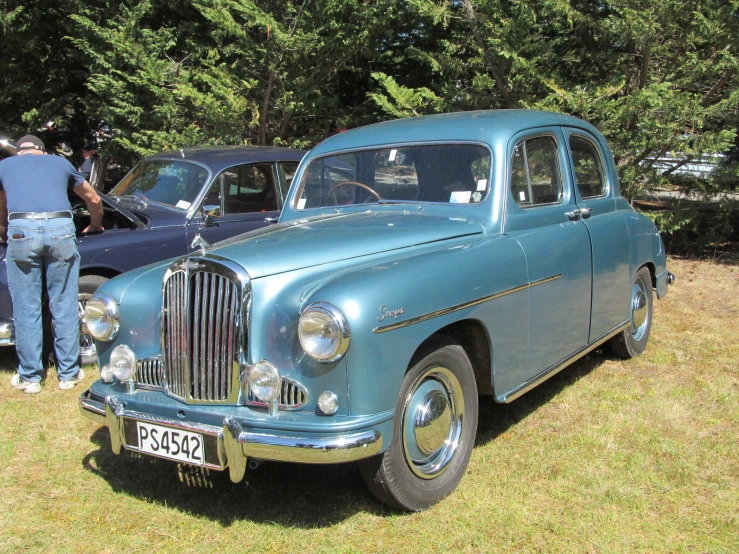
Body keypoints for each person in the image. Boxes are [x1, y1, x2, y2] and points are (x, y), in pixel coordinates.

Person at [0, 135, 104, 394]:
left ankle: (31, 378)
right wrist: (97, 223)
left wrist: (4, 230)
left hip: (21, 229)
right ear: (42, 151)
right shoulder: (60, 162)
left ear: (19, 152)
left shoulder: (5, 166)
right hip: (60, 229)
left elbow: (1, 206)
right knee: (64, 301)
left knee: (26, 306)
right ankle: (68, 374)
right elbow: (93, 198)